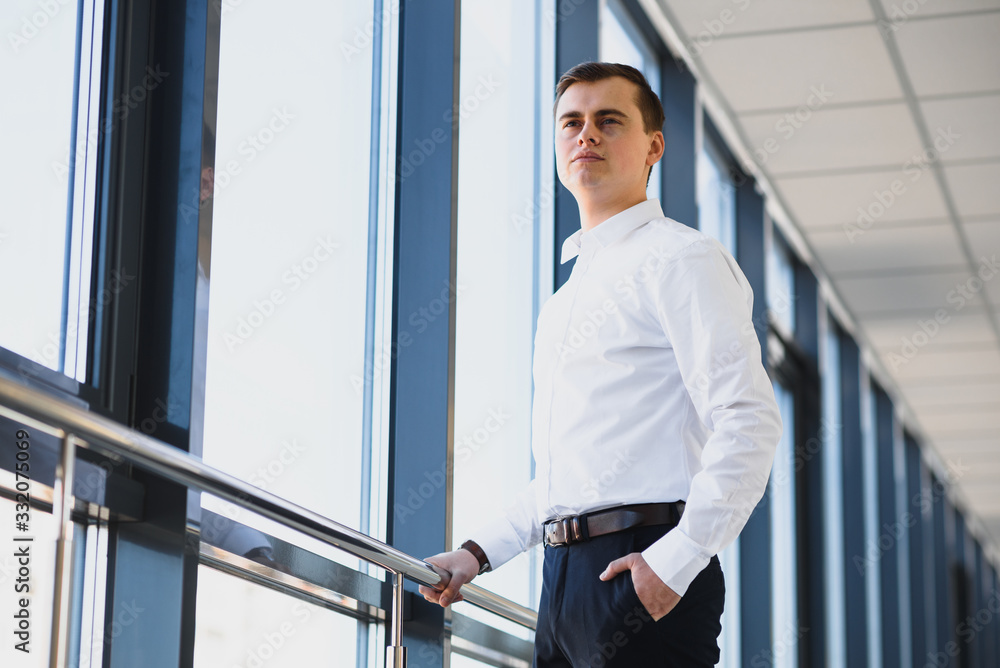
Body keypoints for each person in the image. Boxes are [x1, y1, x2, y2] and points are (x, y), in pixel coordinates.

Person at [419, 62, 782, 667]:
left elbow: (749, 419)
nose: (585, 135)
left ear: (653, 147)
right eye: (572, 123)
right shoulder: (564, 302)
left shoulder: (682, 260)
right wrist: (476, 554)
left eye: (608, 121)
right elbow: (564, 481)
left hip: (642, 563)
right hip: (562, 580)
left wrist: (677, 559)